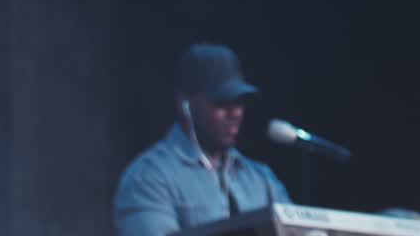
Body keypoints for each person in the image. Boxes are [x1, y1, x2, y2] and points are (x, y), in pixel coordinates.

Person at [113, 43, 290, 235]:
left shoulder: (262, 179)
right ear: (185, 105)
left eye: (239, 101)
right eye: (222, 102)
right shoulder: (149, 177)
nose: (236, 112)